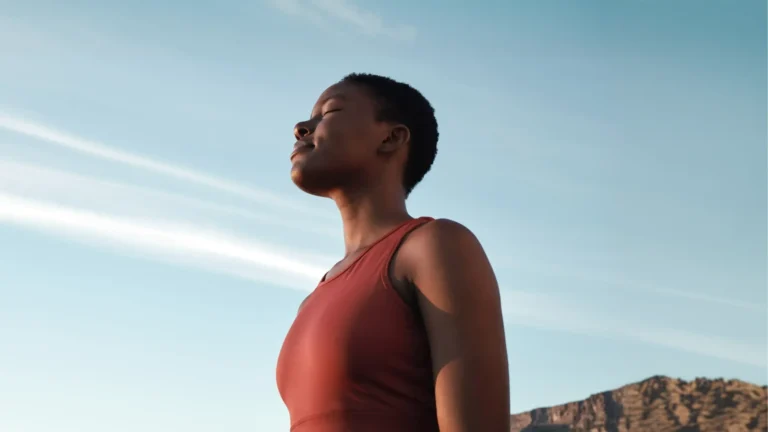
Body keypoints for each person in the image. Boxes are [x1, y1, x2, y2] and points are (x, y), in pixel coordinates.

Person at [275, 73, 510, 432]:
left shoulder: (435, 247)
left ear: (392, 137)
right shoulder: (312, 300)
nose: (301, 128)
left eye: (330, 112)